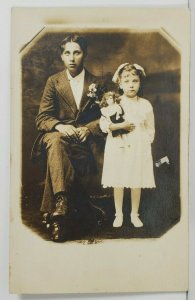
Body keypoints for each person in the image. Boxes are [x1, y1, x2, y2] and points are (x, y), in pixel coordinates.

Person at [31, 33, 105, 242]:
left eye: (77, 52)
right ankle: (62, 203)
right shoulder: (53, 81)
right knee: (55, 142)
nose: (72, 58)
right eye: (67, 53)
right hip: (56, 136)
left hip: (83, 143)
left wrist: (89, 129)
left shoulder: (97, 83)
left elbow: (108, 116)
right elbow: (42, 118)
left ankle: (59, 214)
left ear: (85, 54)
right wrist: (60, 126)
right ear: (62, 56)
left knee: (58, 156)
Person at [100, 63, 156, 228]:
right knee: (119, 179)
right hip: (118, 146)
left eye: (135, 80)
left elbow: (150, 128)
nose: (131, 85)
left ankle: (134, 214)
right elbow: (104, 125)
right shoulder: (115, 103)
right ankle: (119, 214)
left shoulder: (145, 104)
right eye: (127, 81)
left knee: (135, 180)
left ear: (140, 82)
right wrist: (119, 127)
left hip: (139, 146)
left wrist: (144, 143)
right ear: (120, 83)